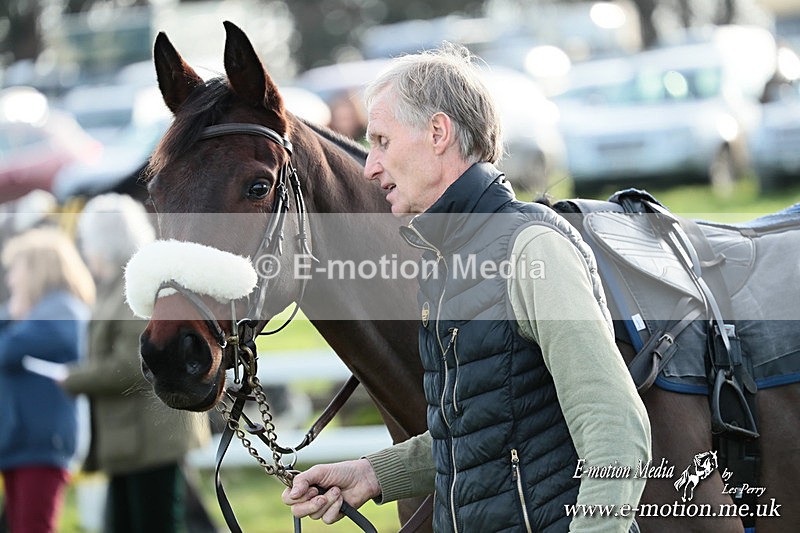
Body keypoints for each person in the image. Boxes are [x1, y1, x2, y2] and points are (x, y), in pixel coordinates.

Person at [282, 44, 652, 532]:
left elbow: (617, 431)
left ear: (438, 133)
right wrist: (372, 473)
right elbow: (477, 432)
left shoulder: (531, 249)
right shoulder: (444, 263)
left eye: (383, 141)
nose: (370, 167)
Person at [61, 194, 212, 533]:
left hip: (150, 438)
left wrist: (74, 379)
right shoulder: (115, 285)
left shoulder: (136, 289)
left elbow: (133, 364)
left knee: (156, 524)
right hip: (130, 438)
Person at [0, 227, 95, 533]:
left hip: (41, 444)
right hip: (24, 443)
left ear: (37, 269)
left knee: (33, 527)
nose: (11, 279)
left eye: (16, 269)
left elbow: (8, 350)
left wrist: (13, 312)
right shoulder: (38, 312)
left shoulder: (62, 310)